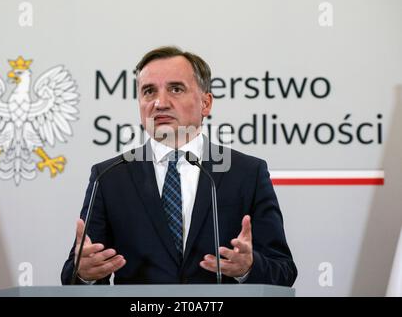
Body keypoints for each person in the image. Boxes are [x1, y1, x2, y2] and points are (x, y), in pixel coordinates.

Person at [61, 46, 297, 285]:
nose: (160, 103)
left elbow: (284, 271)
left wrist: (248, 268)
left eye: (175, 89)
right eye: (149, 91)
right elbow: (75, 273)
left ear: (206, 103)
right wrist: (84, 274)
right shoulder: (109, 177)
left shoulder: (247, 173)